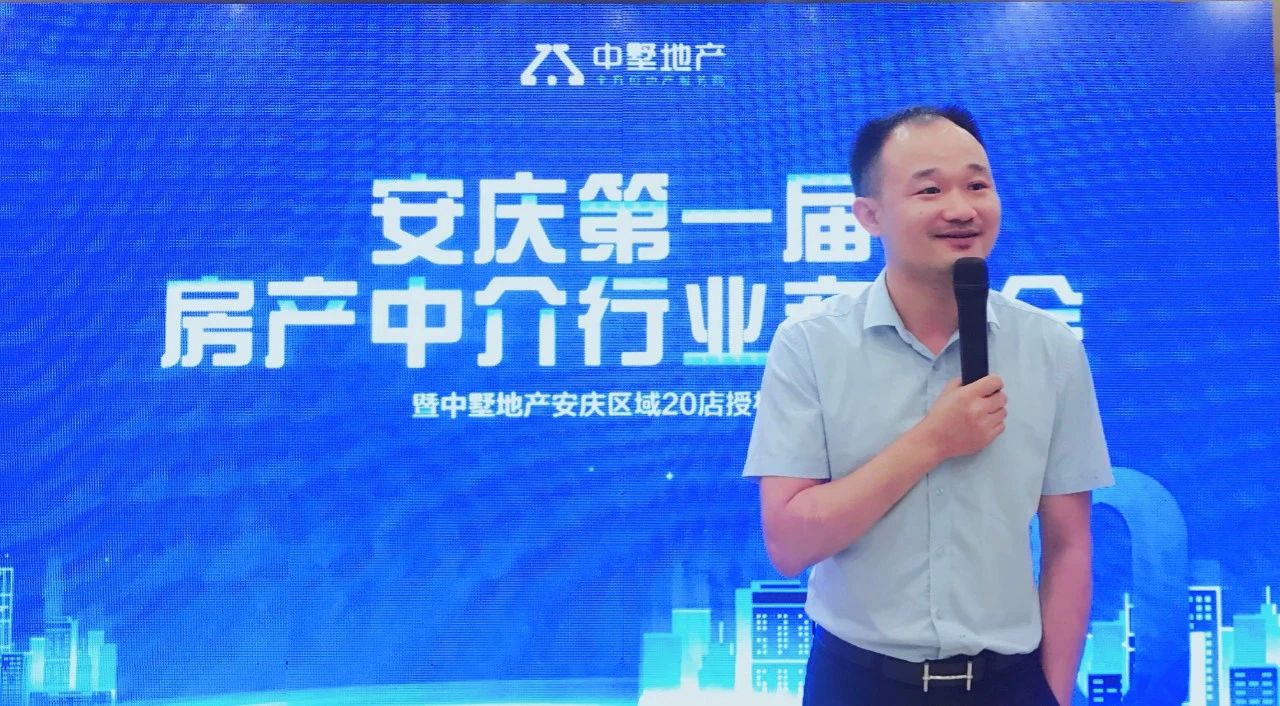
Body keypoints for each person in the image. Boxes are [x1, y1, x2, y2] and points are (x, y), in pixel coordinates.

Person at [742, 105, 1113, 706]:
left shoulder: (1051, 347)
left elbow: (1069, 542)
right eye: (930, 190)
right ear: (869, 215)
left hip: (1009, 682)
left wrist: (1054, 693)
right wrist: (932, 441)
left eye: (977, 185)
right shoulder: (811, 343)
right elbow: (789, 544)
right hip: (856, 682)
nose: (962, 209)